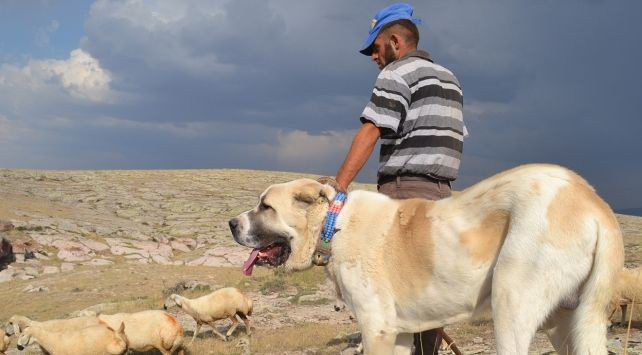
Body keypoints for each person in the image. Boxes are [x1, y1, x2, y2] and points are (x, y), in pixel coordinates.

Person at [327, 3, 466, 354]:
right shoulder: (450, 79)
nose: (374, 57)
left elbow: (373, 128)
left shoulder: (396, 74)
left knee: (388, 291)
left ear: (395, 41)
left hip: (403, 192)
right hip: (443, 197)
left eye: (375, 48)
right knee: (428, 290)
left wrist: (339, 186)